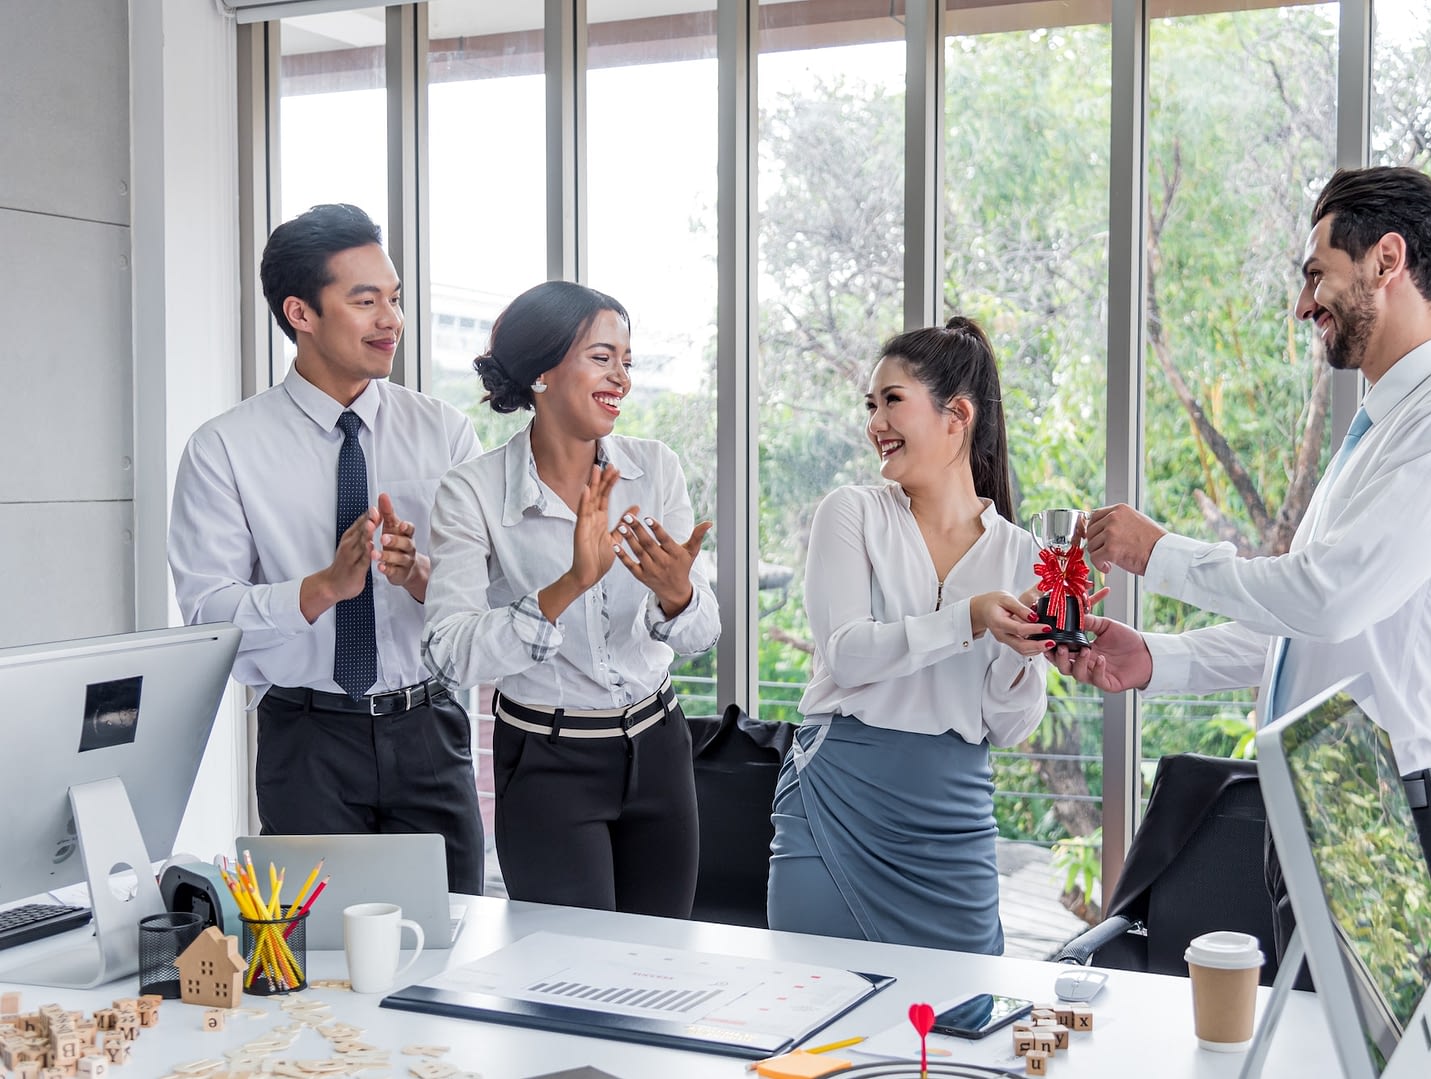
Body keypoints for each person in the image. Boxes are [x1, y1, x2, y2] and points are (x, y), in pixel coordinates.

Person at [1059, 166, 1431, 950]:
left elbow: (1327, 597)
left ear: (1386, 260)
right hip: (1331, 806)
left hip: (1380, 814)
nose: (1302, 303)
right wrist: (1152, 658)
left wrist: (1158, 553)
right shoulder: (1384, 430)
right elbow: (1308, 631)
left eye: (1316, 273)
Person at [169, 203, 485, 894]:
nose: (390, 320)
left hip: (428, 727)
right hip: (306, 739)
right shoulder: (224, 448)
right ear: (301, 313)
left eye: (394, 299)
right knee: (313, 963)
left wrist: (422, 575)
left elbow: (487, 595)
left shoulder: (445, 433)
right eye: (365, 300)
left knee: (455, 946)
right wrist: (324, 586)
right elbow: (207, 620)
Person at [421, 281, 718, 915]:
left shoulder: (654, 468)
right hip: (546, 763)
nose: (622, 379)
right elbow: (447, 653)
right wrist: (570, 584)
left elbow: (698, 637)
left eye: (627, 362)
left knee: (659, 964)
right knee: (566, 976)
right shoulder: (471, 491)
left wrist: (678, 597)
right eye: (602, 357)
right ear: (541, 372)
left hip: (659, 747)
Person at [766, 316, 1054, 955]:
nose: (874, 424)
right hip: (836, 795)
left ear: (957, 415)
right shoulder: (853, 512)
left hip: (950, 818)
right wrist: (969, 618)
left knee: (958, 1022)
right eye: (871, 405)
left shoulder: (1022, 552)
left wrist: (1022, 652)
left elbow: (1010, 725)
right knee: (813, 1017)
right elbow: (844, 653)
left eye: (892, 401)